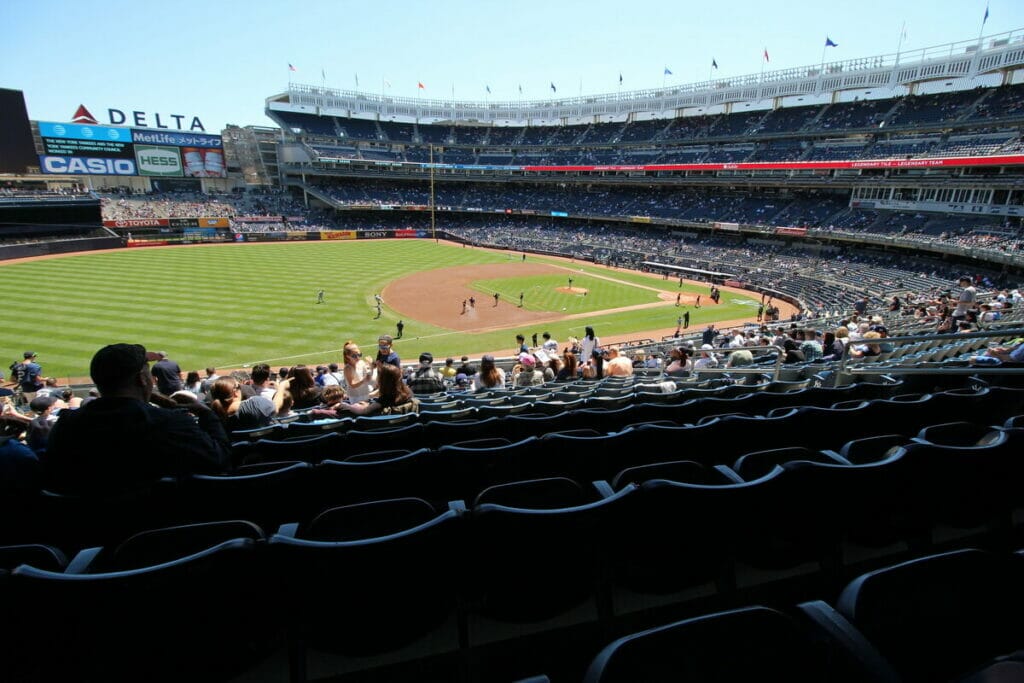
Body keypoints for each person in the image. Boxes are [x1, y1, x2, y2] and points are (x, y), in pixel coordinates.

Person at [43, 343, 229, 494]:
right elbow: (218, 458)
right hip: (161, 526)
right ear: (141, 379)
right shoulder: (169, 422)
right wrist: (206, 413)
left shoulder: (66, 425)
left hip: (86, 532)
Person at [336, 363, 418, 416]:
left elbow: (363, 412)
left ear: (383, 380)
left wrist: (348, 406)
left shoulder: (384, 399)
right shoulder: (408, 391)